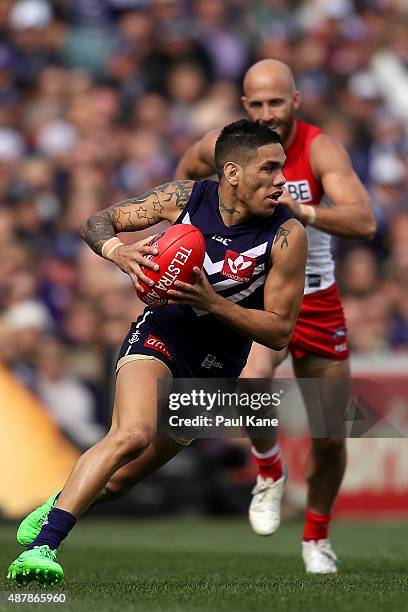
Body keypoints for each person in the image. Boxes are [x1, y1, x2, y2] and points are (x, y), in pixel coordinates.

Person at [7, 119, 307, 586]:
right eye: (268, 169)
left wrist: (211, 302)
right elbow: (96, 221)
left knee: (122, 480)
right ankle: (43, 549)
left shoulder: (287, 235)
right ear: (232, 172)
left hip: (215, 372)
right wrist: (116, 252)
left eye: (281, 168)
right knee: (132, 434)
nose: (280, 180)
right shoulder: (186, 199)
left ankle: (57, 502)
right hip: (161, 336)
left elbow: (279, 331)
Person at [175, 60, 377, 574]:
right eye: (257, 104)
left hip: (316, 296)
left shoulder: (321, 148)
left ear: (296, 102)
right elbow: (183, 181)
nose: (268, 113)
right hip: (259, 293)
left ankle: (316, 538)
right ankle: (269, 470)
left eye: (276, 103)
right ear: (245, 106)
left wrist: (303, 211)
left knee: (332, 434)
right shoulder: (225, 146)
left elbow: (364, 219)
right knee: (250, 379)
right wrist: (186, 242)